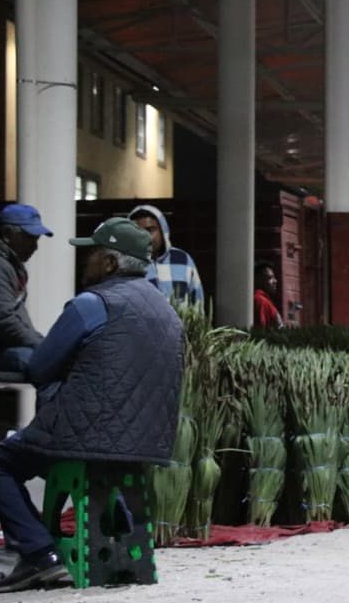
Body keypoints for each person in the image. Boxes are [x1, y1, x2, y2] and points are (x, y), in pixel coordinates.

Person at [0, 217, 183, 593]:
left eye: (93, 253)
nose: (86, 261)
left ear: (111, 263)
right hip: (147, 442)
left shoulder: (92, 304)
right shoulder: (168, 312)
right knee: (98, 470)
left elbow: (39, 368)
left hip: (84, 435)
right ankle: (119, 550)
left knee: (2, 461)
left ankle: (39, 555)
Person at [0, 204, 51, 371]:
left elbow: (16, 316)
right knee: (42, 363)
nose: (35, 246)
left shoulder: (12, 265)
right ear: (7, 235)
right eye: (29, 238)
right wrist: (42, 345)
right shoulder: (2, 267)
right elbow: (5, 320)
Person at [128, 204, 204, 306]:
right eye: (138, 231)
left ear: (163, 230)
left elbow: (198, 304)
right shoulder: (126, 265)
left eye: (150, 230)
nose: (144, 236)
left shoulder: (183, 260)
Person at [253, 261, 284, 329]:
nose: (275, 281)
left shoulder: (265, 301)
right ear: (258, 279)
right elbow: (260, 330)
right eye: (270, 278)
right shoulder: (260, 301)